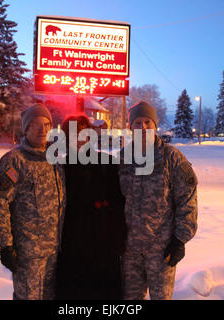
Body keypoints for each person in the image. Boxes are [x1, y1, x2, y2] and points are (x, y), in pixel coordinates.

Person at [118, 101, 198, 300]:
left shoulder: (172, 158)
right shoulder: (122, 158)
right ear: (131, 127)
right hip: (129, 251)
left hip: (161, 250)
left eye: (147, 122)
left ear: (155, 126)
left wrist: (180, 240)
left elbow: (187, 200)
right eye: (138, 123)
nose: (143, 127)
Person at [0, 103, 65, 300]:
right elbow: (1, 204)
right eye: (35, 124)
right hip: (28, 255)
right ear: (26, 128)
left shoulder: (55, 160)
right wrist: (6, 246)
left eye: (46, 124)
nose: (42, 130)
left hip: (54, 252)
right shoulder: (15, 161)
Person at [55, 114, 127, 300]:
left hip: (104, 248)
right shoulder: (58, 167)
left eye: (82, 133)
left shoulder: (108, 163)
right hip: (71, 249)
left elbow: (119, 205)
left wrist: (119, 239)